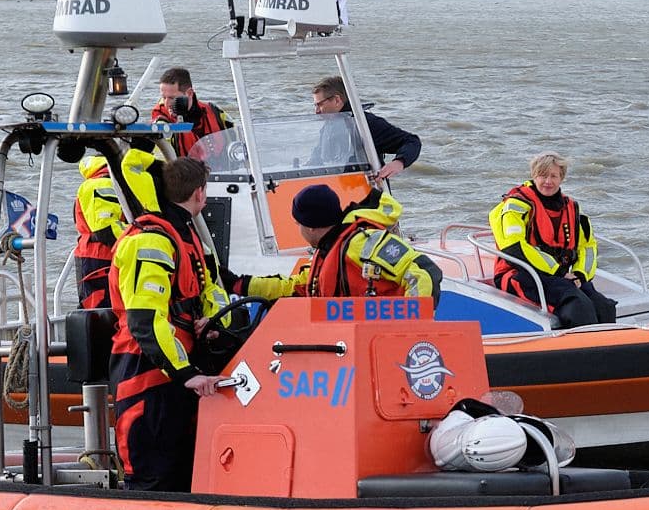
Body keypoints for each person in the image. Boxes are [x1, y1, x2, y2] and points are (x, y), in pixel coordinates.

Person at [108, 156, 229, 491]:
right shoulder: (152, 241)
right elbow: (145, 322)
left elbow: (207, 292)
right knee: (152, 477)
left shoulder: (185, 237)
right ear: (200, 195)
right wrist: (188, 375)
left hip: (174, 377)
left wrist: (213, 327)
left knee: (180, 474)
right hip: (147, 377)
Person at [234, 183, 442, 302]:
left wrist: (412, 326)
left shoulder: (360, 243)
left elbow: (424, 271)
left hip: (380, 340)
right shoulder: (328, 251)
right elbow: (295, 287)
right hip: (345, 340)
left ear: (311, 226)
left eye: (298, 223)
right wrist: (240, 284)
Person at [490, 152, 617, 329]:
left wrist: (580, 275)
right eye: (542, 175)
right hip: (520, 273)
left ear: (561, 178)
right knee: (577, 306)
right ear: (534, 176)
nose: (547, 181)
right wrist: (558, 272)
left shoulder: (570, 208)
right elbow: (515, 247)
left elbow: (587, 247)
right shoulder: (516, 205)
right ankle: (581, 352)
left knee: (604, 306)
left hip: (562, 276)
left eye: (553, 176)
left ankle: (607, 351)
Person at [72, 146, 164, 310]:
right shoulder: (101, 183)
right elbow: (106, 230)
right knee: (102, 311)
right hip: (101, 260)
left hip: (110, 257)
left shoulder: (113, 180)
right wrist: (143, 238)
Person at [311, 75, 420, 181]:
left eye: (319, 104)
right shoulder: (328, 126)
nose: (316, 111)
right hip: (337, 188)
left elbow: (411, 141)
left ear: (337, 100)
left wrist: (399, 162)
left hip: (366, 192)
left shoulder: (366, 123)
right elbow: (317, 159)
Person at [151, 67, 230, 159]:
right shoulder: (159, 120)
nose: (167, 104)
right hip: (181, 171)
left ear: (189, 93)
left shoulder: (215, 113)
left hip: (219, 170)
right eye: (164, 97)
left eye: (172, 98)